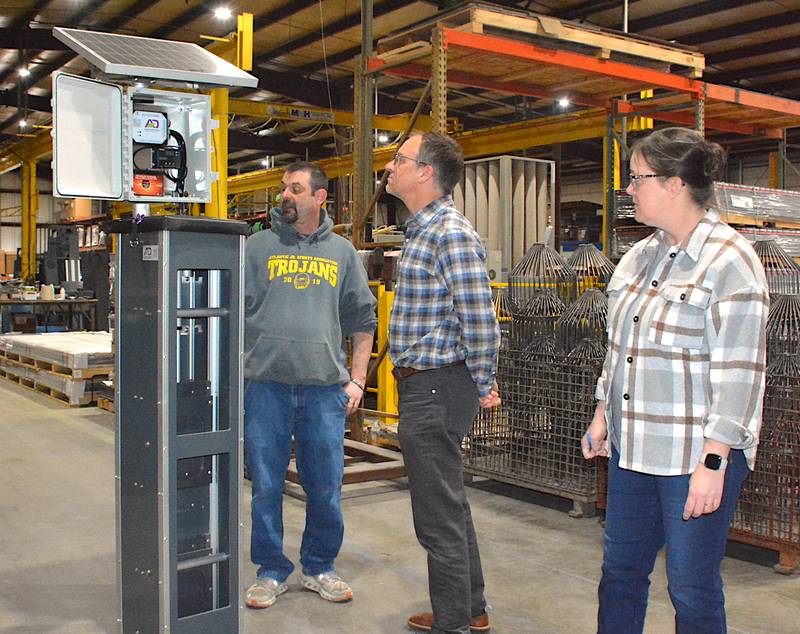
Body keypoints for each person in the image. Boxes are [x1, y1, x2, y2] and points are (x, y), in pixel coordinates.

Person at [582, 127, 769, 633]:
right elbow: (620, 346)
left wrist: (714, 461)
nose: (628, 189)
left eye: (637, 178)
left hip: (693, 459)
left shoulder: (731, 261)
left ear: (674, 185)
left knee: (691, 586)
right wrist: (603, 414)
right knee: (620, 573)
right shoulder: (641, 256)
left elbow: (741, 371)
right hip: (633, 450)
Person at [243, 161, 376, 609]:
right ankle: (270, 570)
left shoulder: (341, 253)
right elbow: (230, 311)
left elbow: (363, 320)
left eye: (295, 189)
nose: (286, 195)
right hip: (266, 387)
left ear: (320, 198)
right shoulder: (255, 248)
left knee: (325, 486)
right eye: (284, 188)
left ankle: (319, 566)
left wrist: (358, 379)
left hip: (324, 390)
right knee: (265, 485)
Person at [385, 132, 501, 634]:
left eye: (399, 159)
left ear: (426, 172)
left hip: (435, 386)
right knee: (448, 501)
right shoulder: (422, 230)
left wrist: (483, 381)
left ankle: (452, 620)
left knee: (436, 514)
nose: (389, 166)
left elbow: (480, 318)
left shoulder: (449, 232)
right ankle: (468, 608)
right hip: (429, 384)